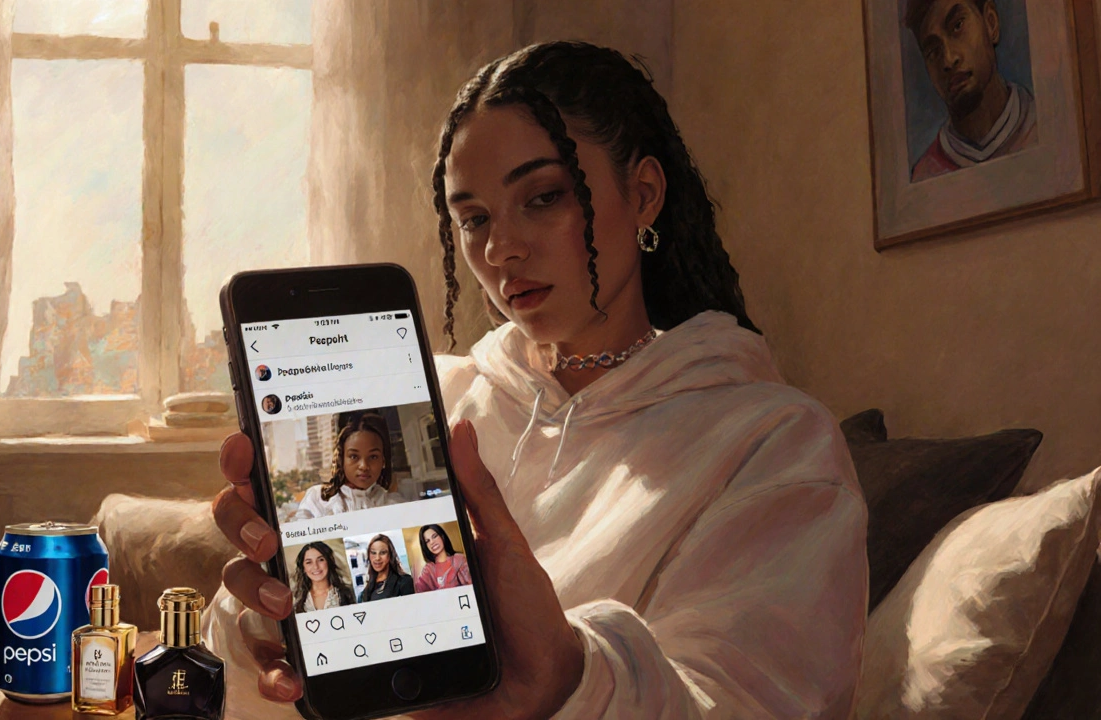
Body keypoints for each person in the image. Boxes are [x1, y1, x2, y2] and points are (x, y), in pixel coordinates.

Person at [207, 41, 868, 719]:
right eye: (474, 219)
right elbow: (249, 661)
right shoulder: (441, 398)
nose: (500, 250)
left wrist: (568, 676)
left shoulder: (773, 443)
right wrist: (264, 607)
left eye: (543, 197)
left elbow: (745, 702)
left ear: (643, 194)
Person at [905, 0, 1037, 182]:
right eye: (933, 51)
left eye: (957, 26)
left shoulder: (1043, 127)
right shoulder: (925, 176)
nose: (949, 60)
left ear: (991, 23)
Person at [292, 412, 405, 520]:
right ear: (341, 459)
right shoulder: (318, 499)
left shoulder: (395, 505)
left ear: (383, 461)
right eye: (354, 456)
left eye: (373, 457)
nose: (364, 466)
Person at [290, 542, 356, 614]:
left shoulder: (348, 593)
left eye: (320, 560)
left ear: (328, 562)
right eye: (309, 562)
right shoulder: (296, 600)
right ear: (303, 568)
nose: (315, 567)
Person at [412, 524, 471, 592]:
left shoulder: (459, 560)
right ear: (425, 546)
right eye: (427, 541)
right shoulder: (428, 570)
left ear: (442, 536)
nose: (432, 542)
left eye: (434, 536)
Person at [358, 534, 414, 602]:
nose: (377, 558)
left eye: (383, 553)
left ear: (390, 555)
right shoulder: (366, 590)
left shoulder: (404, 582)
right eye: (373, 553)